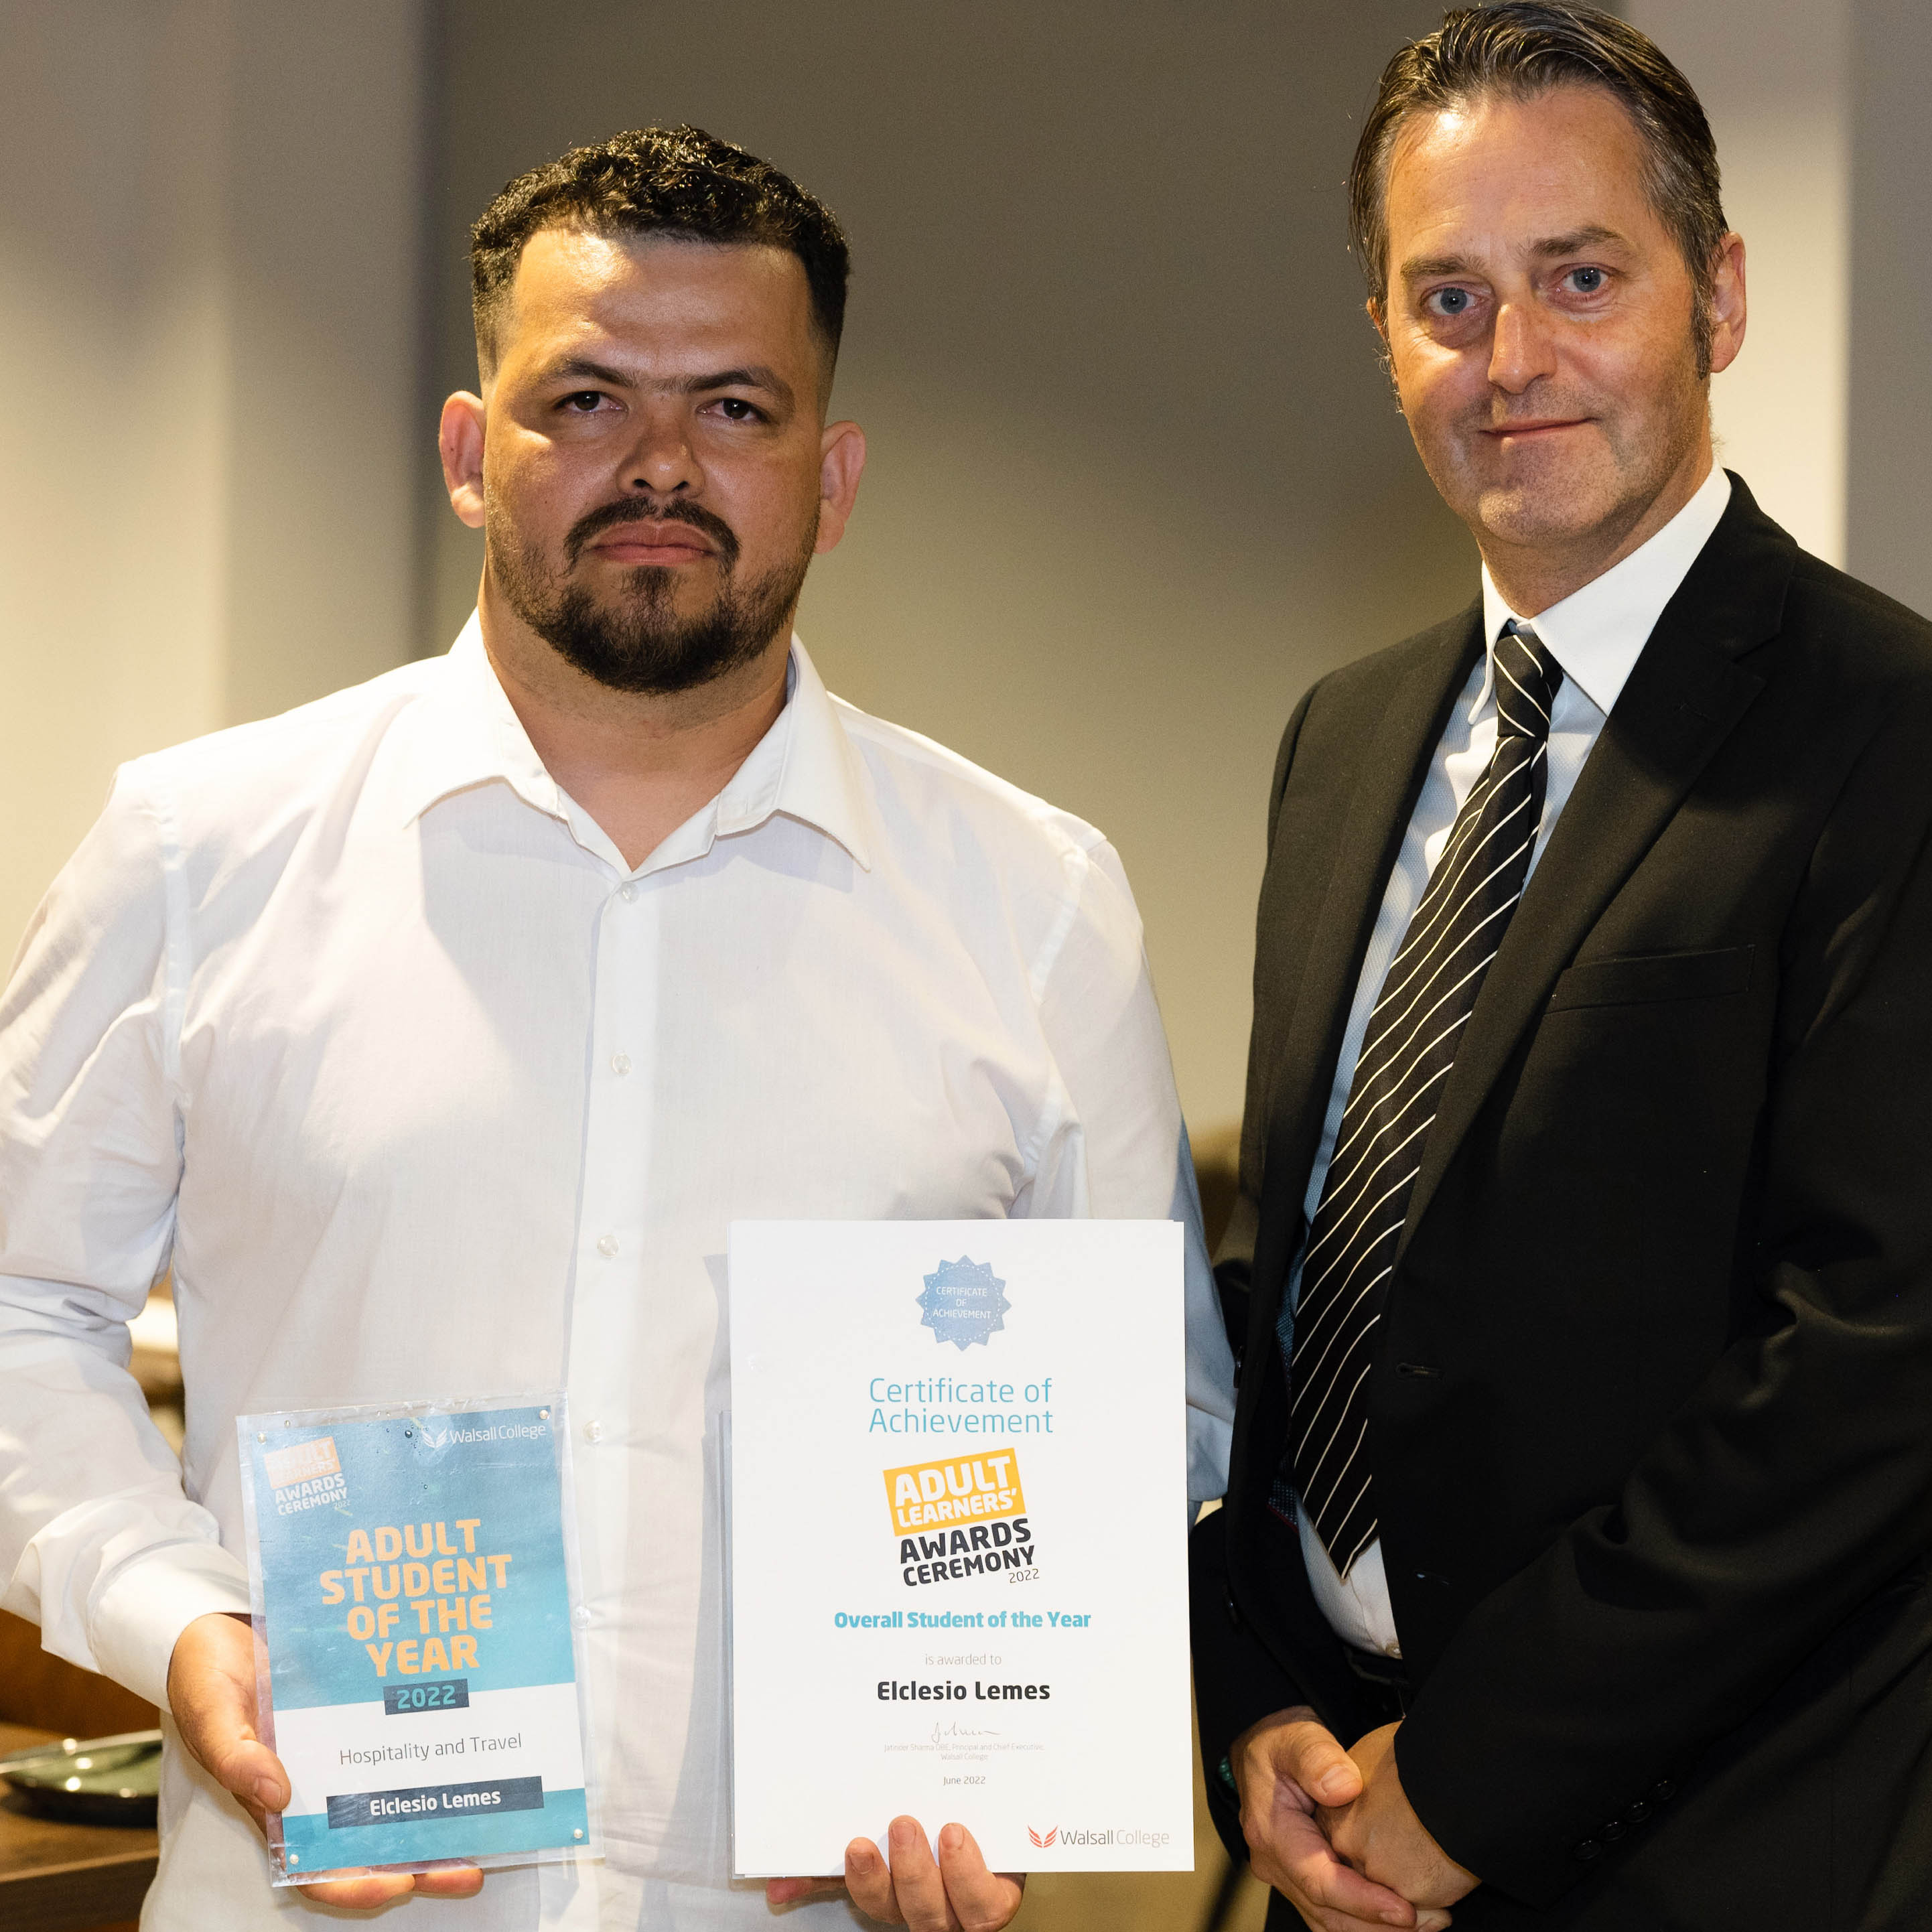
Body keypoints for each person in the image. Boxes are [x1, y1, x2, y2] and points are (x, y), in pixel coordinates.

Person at [0, 127, 1235, 1931]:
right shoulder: (200, 854)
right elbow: (25, 1308)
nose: (658, 462)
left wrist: (987, 1732)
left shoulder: (1030, 901)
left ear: (832, 474)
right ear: (464, 452)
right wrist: (170, 1613)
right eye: (583, 396)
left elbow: (1148, 1416)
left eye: (736, 405)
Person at [1191, 6, 1932, 1929]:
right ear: (1377, 332)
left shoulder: (1891, 729)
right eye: (1444, 295)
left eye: (1577, 277)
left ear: (1721, 294)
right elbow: (1314, 1278)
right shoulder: (1343, 740)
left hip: (1729, 1846)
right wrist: (1252, 1677)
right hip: (1337, 1827)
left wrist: (1471, 1772)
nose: (1507, 360)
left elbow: (1867, 1362)